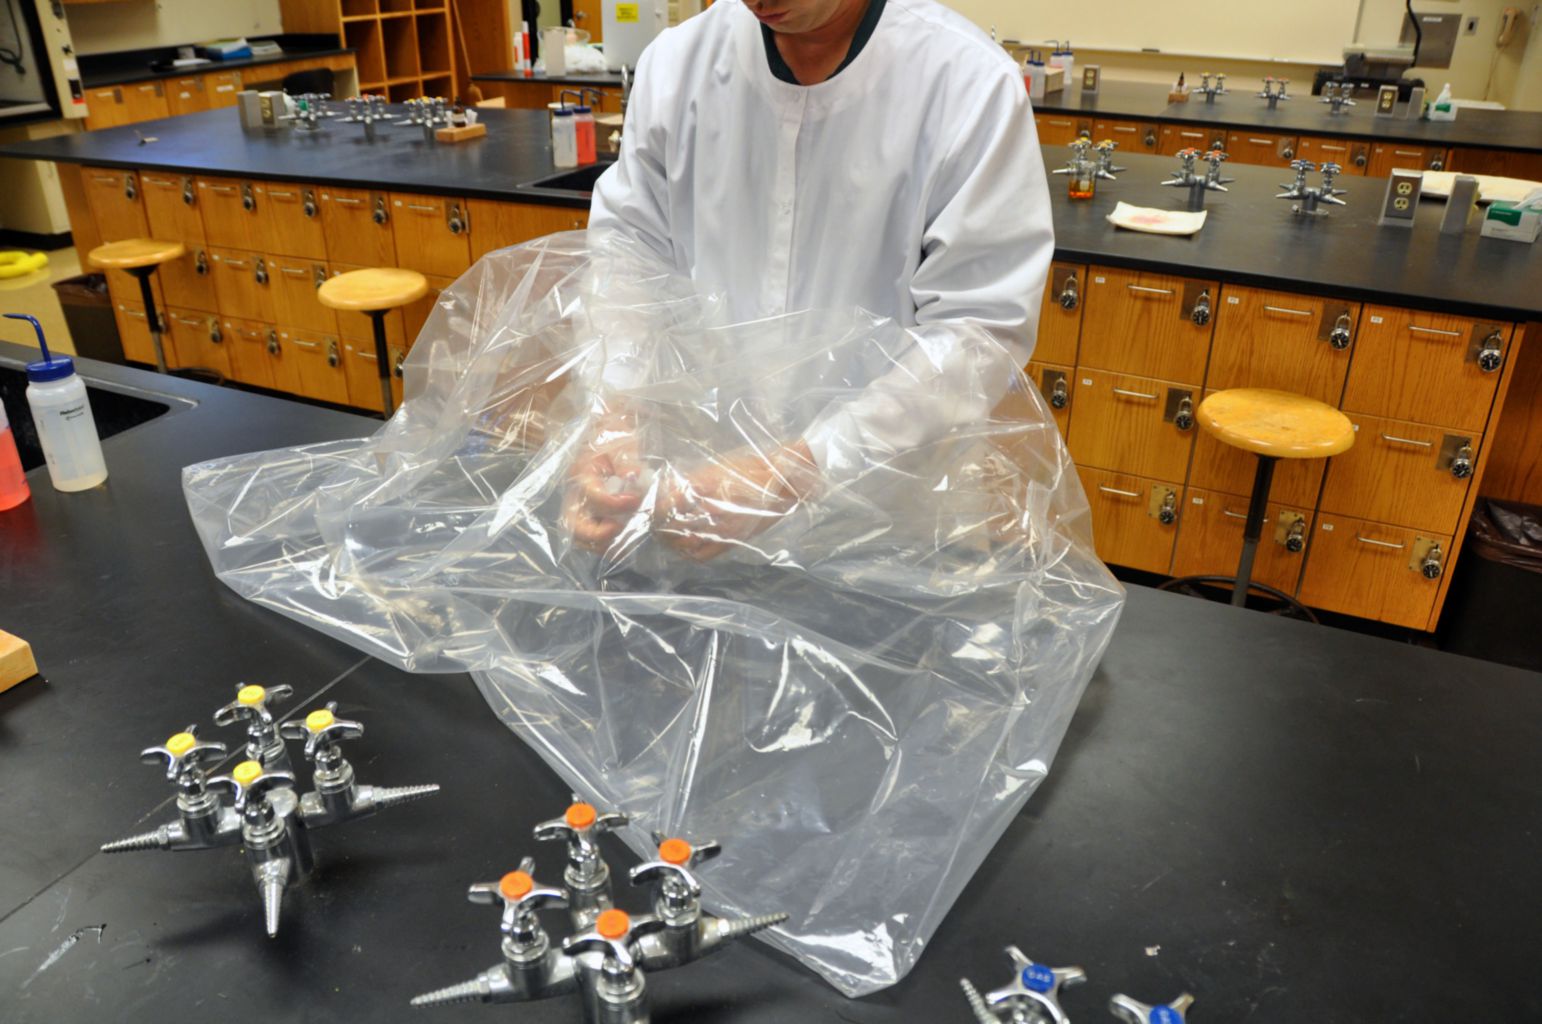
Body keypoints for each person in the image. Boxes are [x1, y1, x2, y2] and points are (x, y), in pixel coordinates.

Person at [567, 0, 1054, 558]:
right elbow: (628, 255)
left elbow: (978, 332)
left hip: (884, 523)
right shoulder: (679, 66)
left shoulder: (967, 84)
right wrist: (617, 412)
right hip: (694, 505)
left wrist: (801, 469)